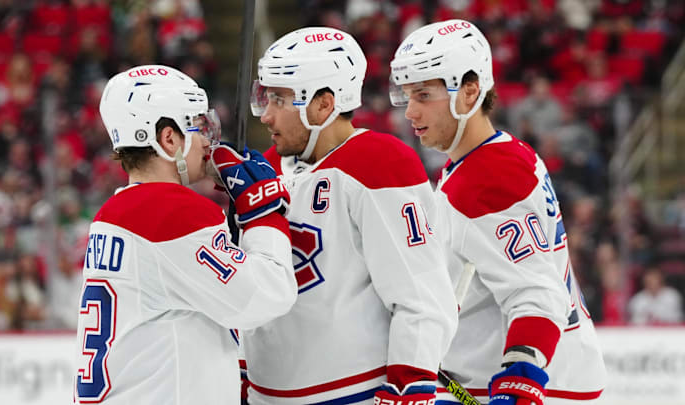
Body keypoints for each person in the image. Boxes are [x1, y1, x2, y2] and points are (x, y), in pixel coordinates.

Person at [389, 20, 607, 405]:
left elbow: (537, 294)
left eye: (423, 95)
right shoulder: (492, 155)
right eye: (408, 96)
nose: (411, 112)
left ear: (470, 92)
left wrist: (520, 382)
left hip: (533, 385)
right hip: (506, 379)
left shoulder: (490, 175)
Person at [243, 27, 458, 404]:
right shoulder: (267, 168)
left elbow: (421, 291)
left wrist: (412, 380)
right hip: (268, 394)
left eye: (279, 99)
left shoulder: (378, 163)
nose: (266, 116)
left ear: (324, 105)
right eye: (265, 98)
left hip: (354, 393)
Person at [73, 65, 297, 404]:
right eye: (198, 126)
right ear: (168, 139)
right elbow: (267, 295)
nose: (208, 140)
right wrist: (262, 210)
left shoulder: (115, 213)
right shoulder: (171, 212)